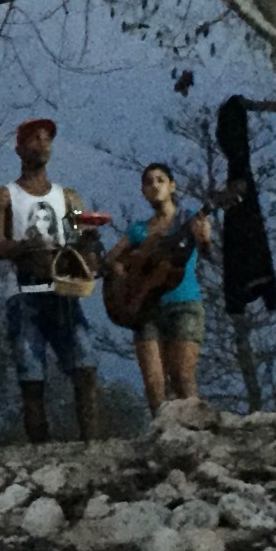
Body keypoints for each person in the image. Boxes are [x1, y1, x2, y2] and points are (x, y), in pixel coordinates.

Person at [0, 118, 101, 443]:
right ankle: (40, 451)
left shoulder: (69, 198)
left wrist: (90, 250)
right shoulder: (4, 196)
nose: (42, 144)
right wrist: (22, 248)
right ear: (19, 148)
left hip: (62, 291)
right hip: (24, 292)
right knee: (32, 379)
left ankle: (92, 445)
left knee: (85, 367)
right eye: (34, 139)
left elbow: (82, 237)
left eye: (47, 139)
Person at [105, 163, 211, 416]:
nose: (154, 186)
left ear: (172, 185)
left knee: (183, 375)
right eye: (149, 182)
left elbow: (207, 253)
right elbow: (112, 260)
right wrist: (124, 271)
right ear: (143, 191)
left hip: (184, 303)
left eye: (160, 180)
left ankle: (196, 433)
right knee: (154, 383)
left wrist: (204, 239)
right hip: (146, 307)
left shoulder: (189, 219)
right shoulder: (139, 230)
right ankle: (162, 433)